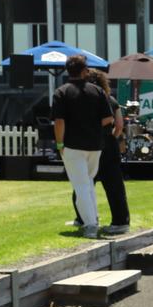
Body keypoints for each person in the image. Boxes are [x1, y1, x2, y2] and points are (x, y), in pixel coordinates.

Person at [52, 55, 113, 238]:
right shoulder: (97, 91)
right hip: (95, 145)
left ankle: (91, 225)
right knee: (88, 184)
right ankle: (92, 218)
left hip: (72, 145)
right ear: (84, 70)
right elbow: (108, 118)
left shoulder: (61, 92)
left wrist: (59, 143)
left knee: (81, 186)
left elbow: (59, 122)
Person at [71, 69, 130, 235]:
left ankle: (83, 218)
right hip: (109, 145)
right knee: (114, 185)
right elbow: (119, 125)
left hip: (89, 144)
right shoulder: (110, 100)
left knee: (83, 183)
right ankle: (120, 221)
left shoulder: (82, 101)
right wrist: (112, 138)